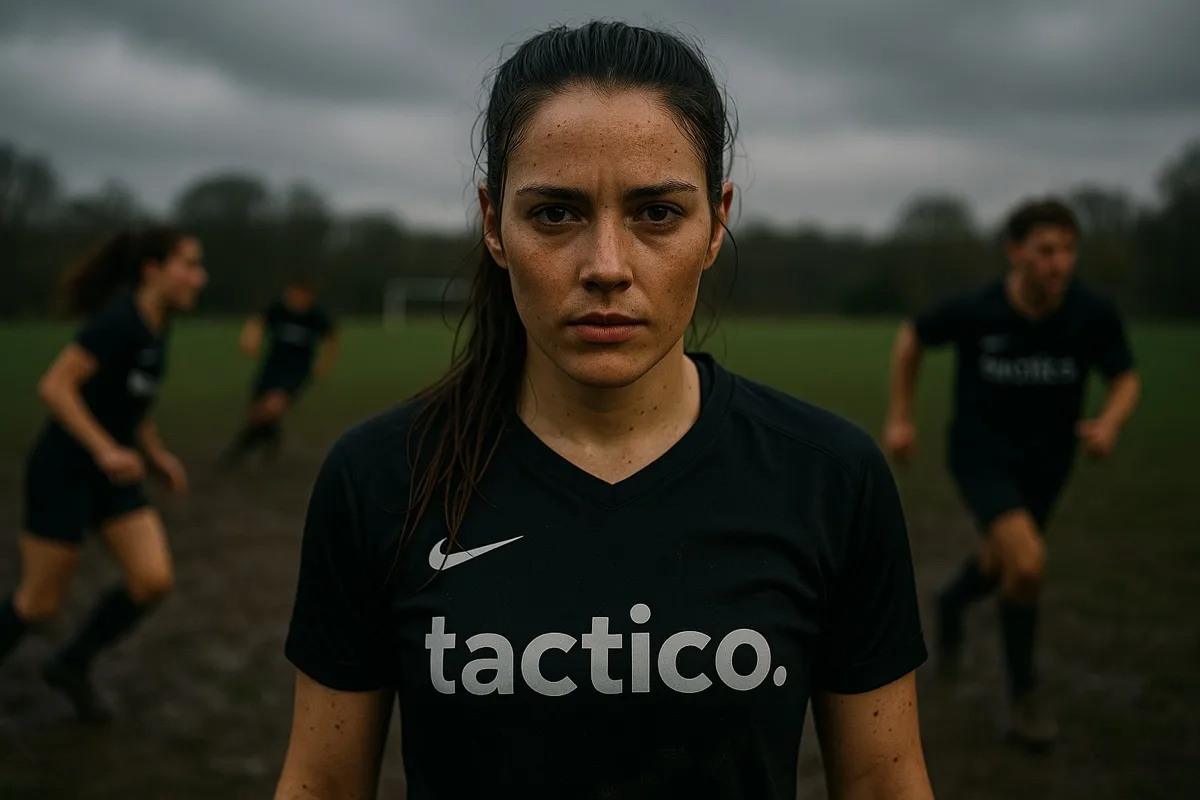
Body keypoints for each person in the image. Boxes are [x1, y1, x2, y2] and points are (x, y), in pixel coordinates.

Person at [274, 20, 934, 800]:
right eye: (555, 214)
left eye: (658, 213)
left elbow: (884, 781)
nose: (606, 268)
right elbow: (319, 782)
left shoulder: (829, 477)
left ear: (717, 221)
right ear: (494, 224)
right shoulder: (380, 477)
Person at [883, 198, 1141, 752]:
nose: (1060, 263)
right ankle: (1024, 703)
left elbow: (1125, 378)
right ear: (1016, 252)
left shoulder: (1091, 313)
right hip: (981, 456)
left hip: (1049, 464)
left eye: (1070, 250)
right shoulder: (979, 309)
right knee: (1027, 564)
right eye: (1048, 250)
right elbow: (913, 337)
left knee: (1002, 564)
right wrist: (901, 416)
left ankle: (952, 603)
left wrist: (1110, 425)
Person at [0, 226, 208, 722]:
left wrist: (155, 453)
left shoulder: (158, 326)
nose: (200, 277)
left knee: (152, 579)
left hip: (110, 474)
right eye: (190, 264)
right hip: (64, 471)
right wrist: (105, 450)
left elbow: (130, 402)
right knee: (39, 603)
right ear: (152, 270)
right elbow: (55, 387)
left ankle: (70, 664)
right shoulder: (117, 323)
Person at [218, 279, 338, 467]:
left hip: (296, 371)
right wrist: (249, 338)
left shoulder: (316, 315)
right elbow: (257, 322)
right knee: (257, 410)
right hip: (271, 366)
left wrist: (324, 363)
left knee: (270, 407)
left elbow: (331, 337)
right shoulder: (278, 309)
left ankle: (236, 452)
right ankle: (271, 438)